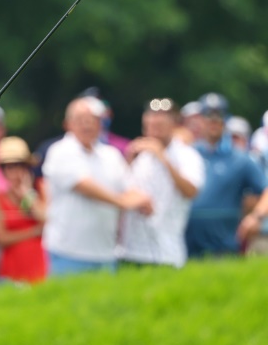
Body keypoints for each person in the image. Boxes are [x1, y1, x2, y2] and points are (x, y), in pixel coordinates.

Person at [42, 97, 152, 276]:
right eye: (80, 120)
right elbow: (84, 186)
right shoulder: (59, 151)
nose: (87, 125)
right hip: (67, 252)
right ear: (68, 124)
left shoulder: (111, 155)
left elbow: (128, 186)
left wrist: (142, 200)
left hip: (106, 253)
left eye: (92, 120)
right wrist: (122, 202)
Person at [119, 99, 205, 268]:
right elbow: (120, 190)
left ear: (175, 125)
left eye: (161, 122)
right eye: (151, 122)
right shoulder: (139, 154)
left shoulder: (187, 155)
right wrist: (128, 162)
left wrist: (163, 157)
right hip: (130, 250)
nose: (155, 125)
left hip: (167, 253)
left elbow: (191, 191)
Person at [186, 93, 268, 257]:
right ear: (200, 120)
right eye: (208, 116)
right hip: (187, 243)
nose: (213, 121)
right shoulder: (189, 154)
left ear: (225, 120)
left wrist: (256, 217)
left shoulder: (240, 158)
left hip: (225, 244)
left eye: (218, 116)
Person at [0, 137, 47, 283]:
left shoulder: (41, 188)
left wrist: (27, 195)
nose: (14, 171)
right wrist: (34, 231)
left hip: (41, 259)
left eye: (19, 165)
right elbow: (1, 238)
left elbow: (47, 219)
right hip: (13, 263)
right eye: (8, 167)